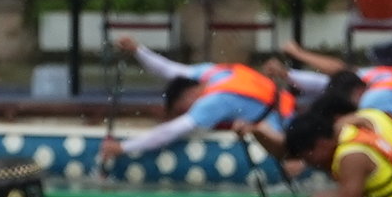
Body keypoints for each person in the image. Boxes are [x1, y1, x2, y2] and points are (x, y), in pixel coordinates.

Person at [104, 42, 297, 162]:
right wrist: (138, 50)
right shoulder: (215, 73)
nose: (187, 113)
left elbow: (170, 131)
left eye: (182, 110)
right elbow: (171, 70)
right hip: (290, 115)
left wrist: (122, 148)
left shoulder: (213, 101)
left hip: (285, 134)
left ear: (187, 96)